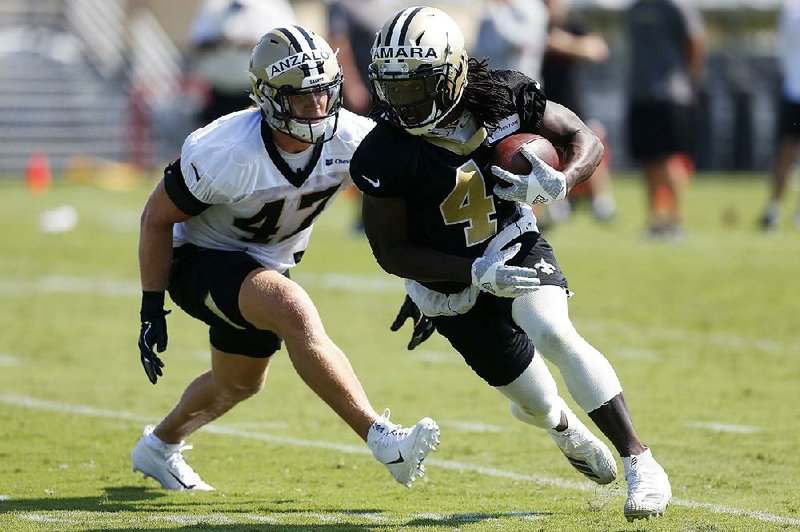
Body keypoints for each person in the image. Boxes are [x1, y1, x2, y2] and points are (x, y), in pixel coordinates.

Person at [350, 6, 671, 522]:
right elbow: (390, 251)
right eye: (393, 85)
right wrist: (471, 274)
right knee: (536, 402)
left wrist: (564, 181)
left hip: (510, 242)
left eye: (416, 84)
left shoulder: (504, 94)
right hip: (447, 282)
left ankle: (642, 461)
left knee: (553, 330)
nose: (402, 100)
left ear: (452, 73)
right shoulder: (383, 151)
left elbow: (583, 138)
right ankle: (563, 426)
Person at [132, 25, 439, 492]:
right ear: (270, 98)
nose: (316, 106)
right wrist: (152, 306)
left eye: (322, 92)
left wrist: (423, 277)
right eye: (301, 96)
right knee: (291, 309)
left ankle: (158, 446)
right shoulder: (226, 151)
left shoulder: (355, 139)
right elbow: (157, 217)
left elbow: (407, 207)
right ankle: (381, 437)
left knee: (237, 383)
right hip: (198, 258)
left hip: (266, 262)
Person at [625, 0, 705, 238]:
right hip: (640, 94)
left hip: (670, 94)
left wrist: (689, 81)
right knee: (648, 160)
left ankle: (676, 220)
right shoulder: (635, 9)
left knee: (669, 159)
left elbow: (696, 43)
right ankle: (656, 220)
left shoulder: (677, 6)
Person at [326, 1, 398, 233]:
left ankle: (388, 213)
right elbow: (338, 42)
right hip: (361, 93)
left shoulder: (387, 4)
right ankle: (365, 214)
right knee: (361, 152)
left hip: (386, 92)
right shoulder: (342, 5)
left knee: (388, 152)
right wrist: (352, 84)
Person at [541, 0, 615, 223]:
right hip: (542, 104)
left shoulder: (572, 26)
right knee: (546, 154)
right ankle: (556, 205)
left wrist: (563, 44)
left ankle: (601, 203)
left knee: (587, 149)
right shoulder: (530, 24)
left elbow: (598, 49)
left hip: (572, 104)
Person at [188, 0, 296, 126]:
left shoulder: (273, 6)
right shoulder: (213, 5)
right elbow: (197, 42)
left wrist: (247, 43)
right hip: (218, 93)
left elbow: (289, 43)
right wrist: (220, 41)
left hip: (260, 92)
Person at [761, 0, 800, 231]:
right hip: (794, 92)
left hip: (792, 90)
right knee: (786, 151)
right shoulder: (792, 8)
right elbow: (783, 48)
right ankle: (773, 208)